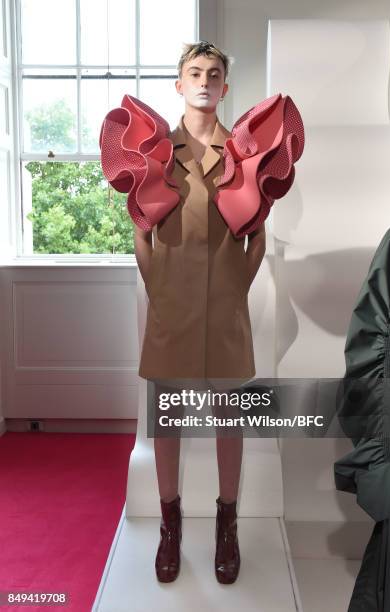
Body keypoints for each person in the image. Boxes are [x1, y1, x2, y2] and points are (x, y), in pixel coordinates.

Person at [99, 40, 304, 585]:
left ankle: (227, 523)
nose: (205, 80)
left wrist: (239, 283)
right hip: (171, 304)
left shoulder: (242, 154)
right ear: (180, 83)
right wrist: (157, 286)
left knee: (228, 419)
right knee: (167, 420)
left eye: (214, 73)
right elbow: (141, 230)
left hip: (226, 306)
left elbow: (256, 235)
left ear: (224, 86)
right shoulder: (160, 150)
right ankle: (170, 524)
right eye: (195, 72)